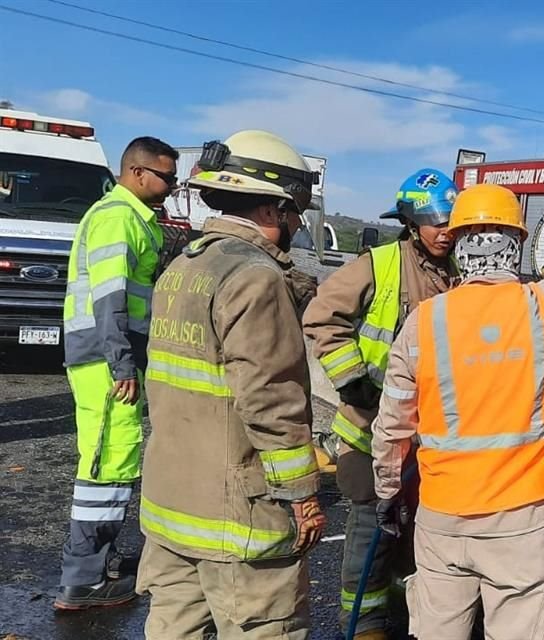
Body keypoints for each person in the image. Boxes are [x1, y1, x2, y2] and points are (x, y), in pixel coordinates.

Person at [371, 143, 544, 640]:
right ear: (515, 245)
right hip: (525, 518)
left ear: (457, 246)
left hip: (444, 515)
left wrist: (388, 494)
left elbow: (392, 426)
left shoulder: (424, 322)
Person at [135, 130, 325, 638]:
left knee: (173, 629)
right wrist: (302, 495)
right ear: (270, 211)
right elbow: (269, 398)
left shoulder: (183, 267)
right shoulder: (255, 277)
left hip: (172, 503)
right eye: (293, 211)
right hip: (237, 516)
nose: (297, 223)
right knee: (265, 626)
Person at [303, 169, 459, 639]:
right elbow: (321, 317)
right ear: (411, 223)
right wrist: (354, 383)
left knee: (416, 536)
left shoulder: (463, 273)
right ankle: (366, 622)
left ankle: (403, 610)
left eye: (451, 219)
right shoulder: (380, 264)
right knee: (371, 529)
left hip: (433, 440)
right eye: (434, 221)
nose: (444, 230)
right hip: (372, 433)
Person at [55, 137, 178, 610]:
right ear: (137, 172)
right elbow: (110, 299)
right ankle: (83, 580)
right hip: (107, 359)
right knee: (108, 459)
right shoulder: (117, 218)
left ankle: (94, 564)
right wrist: (122, 361)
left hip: (108, 356)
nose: (170, 186)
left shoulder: (128, 218)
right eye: (165, 177)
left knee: (112, 456)